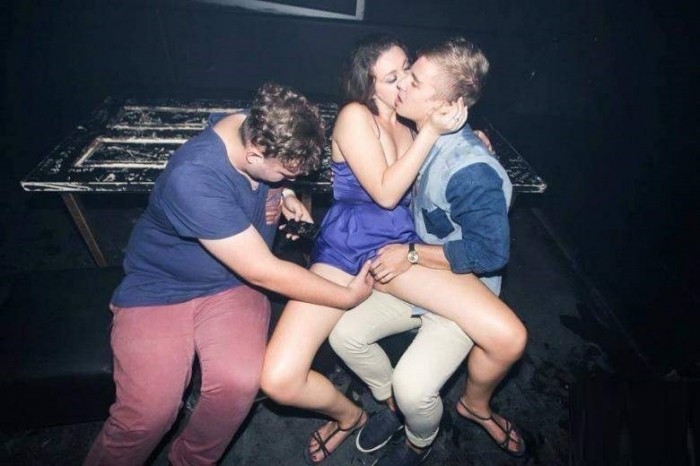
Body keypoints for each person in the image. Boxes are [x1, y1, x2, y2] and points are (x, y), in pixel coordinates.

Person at [84, 83, 374, 466]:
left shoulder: (253, 124)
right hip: (160, 288)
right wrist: (348, 296)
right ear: (253, 154)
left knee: (237, 384)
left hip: (232, 286)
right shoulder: (193, 177)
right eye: (285, 171)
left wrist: (285, 192)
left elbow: (266, 180)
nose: (290, 177)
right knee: (148, 414)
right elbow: (264, 271)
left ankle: (191, 461)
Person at [260, 36, 469, 464]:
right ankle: (350, 416)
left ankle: (434, 408)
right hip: (348, 249)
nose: (404, 82)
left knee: (482, 320)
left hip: (404, 249)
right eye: (391, 78)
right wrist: (432, 132)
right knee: (279, 378)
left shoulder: (414, 121)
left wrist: (467, 138)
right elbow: (386, 193)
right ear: (368, 86)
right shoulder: (356, 115)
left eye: (407, 69)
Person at [328, 37, 528, 465]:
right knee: (344, 334)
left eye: (413, 81)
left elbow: (491, 253)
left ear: (447, 104)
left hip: (461, 287)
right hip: (421, 281)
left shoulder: (470, 170)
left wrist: (413, 254)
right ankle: (394, 407)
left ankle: (420, 439)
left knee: (413, 386)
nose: (402, 86)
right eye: (401, 75)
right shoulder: (423, 133)